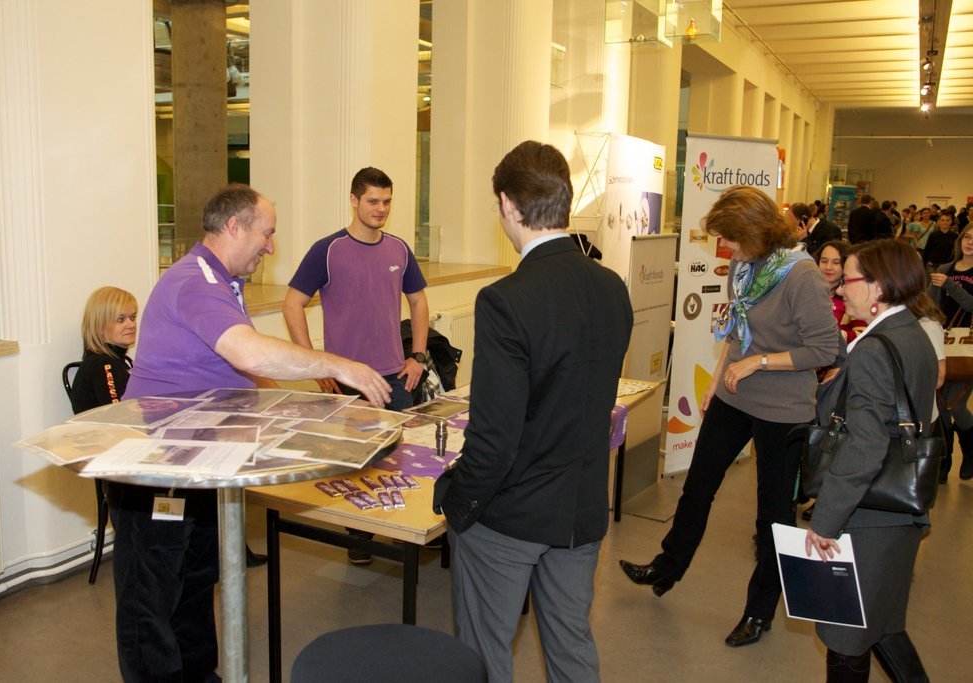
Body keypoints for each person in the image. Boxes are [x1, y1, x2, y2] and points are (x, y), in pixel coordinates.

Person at [112, 184, 390, 682]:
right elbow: (248, 352)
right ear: (234, 226)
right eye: (267, 233)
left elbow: (245, 371)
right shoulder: (194, 281)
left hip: (200, 464)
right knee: (151, 601)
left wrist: (304, 407)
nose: (270, 246)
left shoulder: (224, 283)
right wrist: (338, 365)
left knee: (196, 582)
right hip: (155, 471)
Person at [435, 141, 632, 682]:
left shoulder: (506, 299)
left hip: (511, 513)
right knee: (571, 649)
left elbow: (493, 437)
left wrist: (459, 503)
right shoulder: (612, 288)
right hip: (581, 508)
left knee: (484, 657)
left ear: (507, 204)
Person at [618, 185, 839, 648]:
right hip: (734, 397)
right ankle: (667, 566)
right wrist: (717, 381)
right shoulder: (745, 265)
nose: (726, 248)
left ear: (756, 232)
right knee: (697, 487)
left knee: (772, 516)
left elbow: (823, 349)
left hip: (783, 411)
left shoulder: (801, 276)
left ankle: (760, 610)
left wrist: (759, 363)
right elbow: (737, 331)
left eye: (731, 239)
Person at [283, 166, 429, 564]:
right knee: (354, 464)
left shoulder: (399, 249)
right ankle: (359, 537)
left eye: (386, 202)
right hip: (346, 380)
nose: (380, 209)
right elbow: (292, 303)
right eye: (372, 201)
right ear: (353, 200)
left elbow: (418, 300)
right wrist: (314, 365)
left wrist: (418, 355)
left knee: (400, 458)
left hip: (394, 376)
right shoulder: (328, 250)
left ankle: (403, 530)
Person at [805, 239, 936, 682]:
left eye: (849, 280)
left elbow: (864, 447)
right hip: (897, 514)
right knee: (882, 625)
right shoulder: (911, 333)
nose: (841, 289)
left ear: (878, 286)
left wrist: (825, 521)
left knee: (845, 634)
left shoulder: (875, 350)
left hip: (868, 517)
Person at [928, 222, 973, 481]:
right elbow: (929, 304)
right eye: (967, 237)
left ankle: (970, 453)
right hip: (941, 343)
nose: (969, 242)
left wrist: (951, 286)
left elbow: (971, 305)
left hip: (967, 347)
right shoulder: (945, 269)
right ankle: (943, 465)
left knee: (957, 406)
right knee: (941, 408)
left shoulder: (948, 278)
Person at [70, 286, 137, 414]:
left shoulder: (114, 361)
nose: (131, 325)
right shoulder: (104, 364)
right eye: (121, 319)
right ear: (100, 326)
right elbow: (122, 415)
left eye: (132, 317)